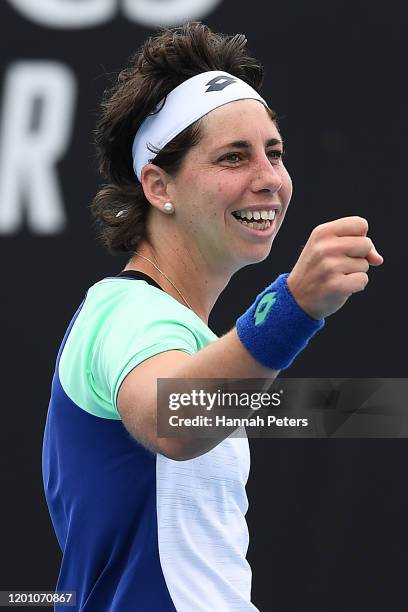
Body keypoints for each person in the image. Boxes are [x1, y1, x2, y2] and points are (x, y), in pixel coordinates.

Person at [42, 22, 383, 611]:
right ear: (158, 185)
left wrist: (377, 408)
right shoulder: (126, 312)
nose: (269, 179)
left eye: (274, 153)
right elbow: (175, 419)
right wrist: (293, 306)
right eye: (233, 157)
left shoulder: (180, 333)